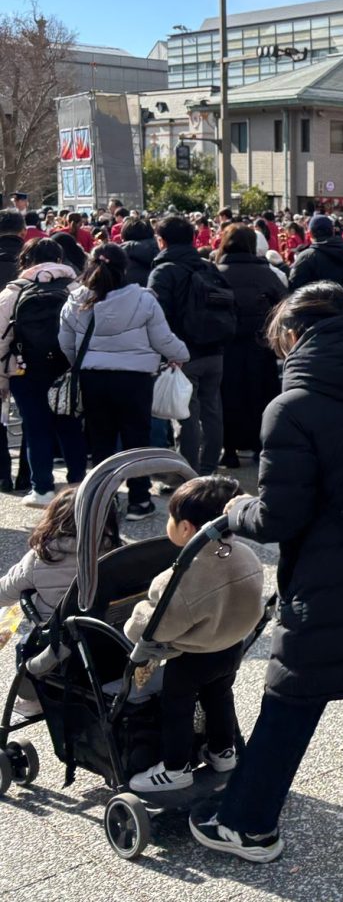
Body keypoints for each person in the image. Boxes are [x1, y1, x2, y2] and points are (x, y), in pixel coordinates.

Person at [190, 284, 343, 890]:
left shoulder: (293, 406)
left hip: (329, 589)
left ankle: (247, 823)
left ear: (294, 335)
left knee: (290, 698)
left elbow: (280, 516)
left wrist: (235, 509)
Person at [126, 475, 266, 794]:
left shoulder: (183, 577)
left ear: (186, 528)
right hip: (231, 647)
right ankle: (224, 752)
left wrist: (135, 622)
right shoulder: (246, 555)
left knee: (178, 708)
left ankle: (175, 768)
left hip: (192, 658)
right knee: (220, 698)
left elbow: (157, 626)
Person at [59, 243, 190, 521]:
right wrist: (181, 355)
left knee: (100, 440)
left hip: (93, 377)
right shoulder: (143, 299)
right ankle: (139, 500)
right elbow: (163, 338)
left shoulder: (75, 300)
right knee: (136, 440)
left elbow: (66, 342)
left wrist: (80, 363)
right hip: (135, 379)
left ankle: (103, 500)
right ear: (124, 268)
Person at [1, 485, 121, 719]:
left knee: (24, 646)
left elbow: (5, 592)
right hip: (108, 641)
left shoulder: (42, 556)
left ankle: (33, 701)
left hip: (58, 649)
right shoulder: (117, 552)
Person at [0, 238, 88, 507]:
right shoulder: (78, 290)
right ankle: (78, 486)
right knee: (70, 426)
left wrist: (2, 378)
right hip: (67, 370)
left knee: (35, 427)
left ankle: (42, 488)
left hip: (25, 369)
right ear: (61, 260)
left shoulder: (13, 292)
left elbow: (1, 340)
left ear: (26, 260)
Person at [150, 215, 233, 477]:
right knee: (212, 411)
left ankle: (187, 474)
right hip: (215, 350)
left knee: (185, 415)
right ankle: (209, 470)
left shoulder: (163, 271)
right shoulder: (209, 267)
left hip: (183, 353)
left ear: (162, 241)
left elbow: (156, 317)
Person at [215, 224, 287, 469]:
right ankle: (259, 446)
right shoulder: (266, 273)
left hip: (226, 344)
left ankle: (229, 450)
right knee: (261, 395)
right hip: (260, 344)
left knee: (227, 397)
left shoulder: (216, 272)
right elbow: (284, 304)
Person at [288, 214, 343, 298]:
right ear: (333, 231)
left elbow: (294, 291)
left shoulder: (306, 257)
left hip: (316, 305)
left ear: (310, 234)